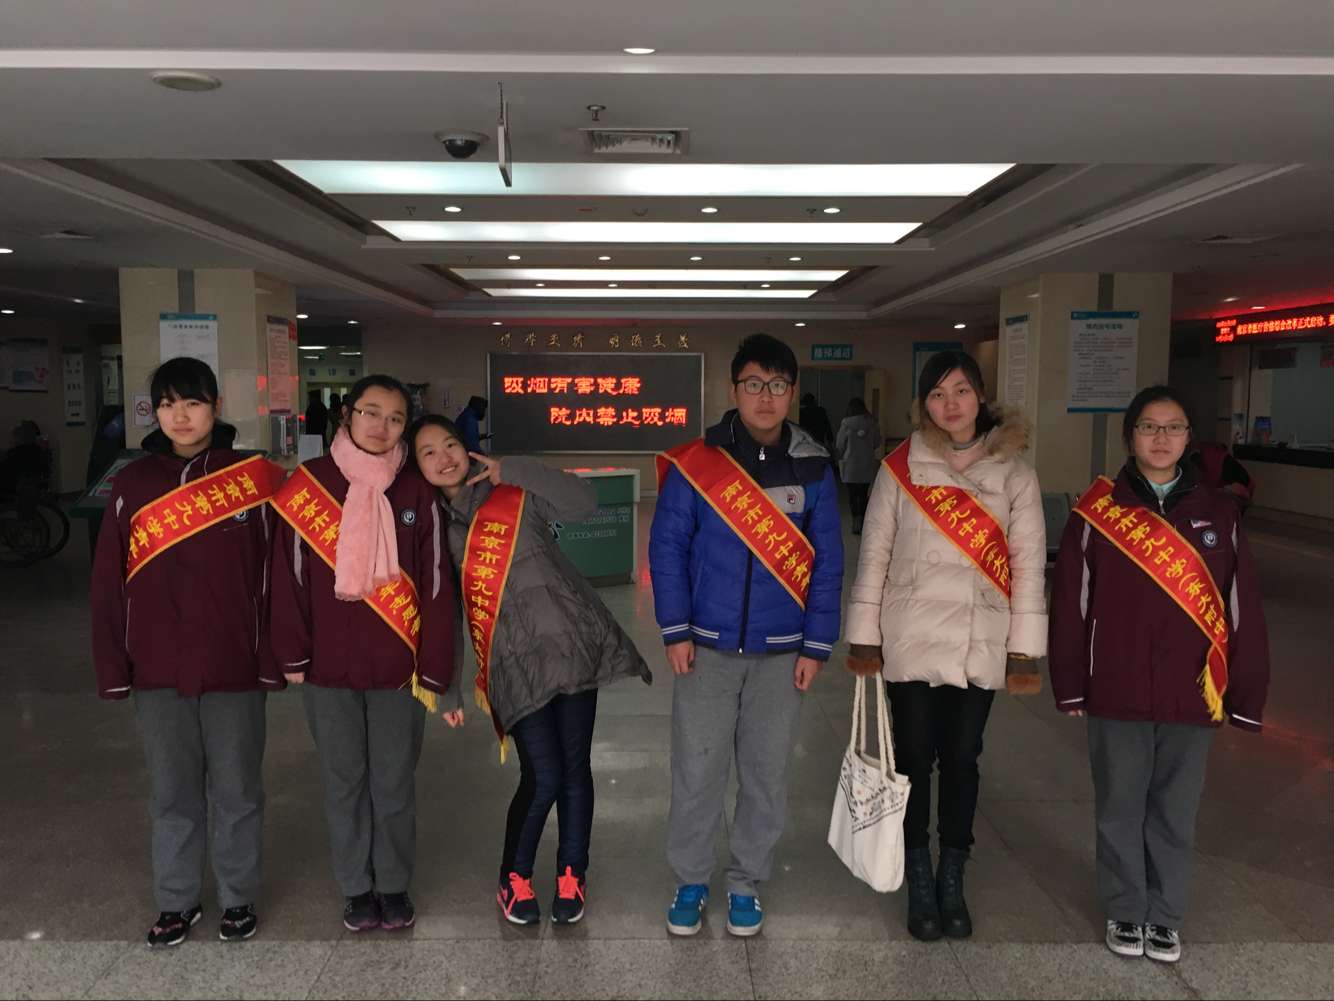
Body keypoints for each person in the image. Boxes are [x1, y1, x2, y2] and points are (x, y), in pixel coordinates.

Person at [1048, 385, 1270, 965]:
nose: (1161, 437)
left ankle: (1166, 915)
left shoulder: (1220, 513)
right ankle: (1125, 908)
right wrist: (1070, 683)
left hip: (1193, 691)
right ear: (1131, 437)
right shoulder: (1097, 514)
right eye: (1149, 427)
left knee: (1175, 808)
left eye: (1173, 427)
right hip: (1115, 687)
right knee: (1119, 806)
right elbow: (1070, 605)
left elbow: (1241, 606)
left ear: (1189, 437)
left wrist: (1245, 693)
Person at [410, 416, 651, 926]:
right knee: (543, 775)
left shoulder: (515, 494)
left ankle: (572, 872)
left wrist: (516, 469)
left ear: (467, 448)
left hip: (571, 647)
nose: (444, 457)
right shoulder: (435, 529)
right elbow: (445, 614)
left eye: (450, 444)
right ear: (418, 466)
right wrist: (448, 688)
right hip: (514, 663)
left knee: (574, 768)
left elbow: (584, 503)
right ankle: (514, 876)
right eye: (428, 452)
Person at [844, 349, 1047, 942]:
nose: (950, 404)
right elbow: (874, 554)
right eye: (937, 394)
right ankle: (919, 874)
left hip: (980, 638)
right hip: (910, 636)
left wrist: (1024, 650)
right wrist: (864, 638)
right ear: (924, 405)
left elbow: (1028, 567)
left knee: (962, 758)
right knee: (912, 760)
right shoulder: (900, 467)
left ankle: (952, 872)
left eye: (960, 391)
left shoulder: (1016, 473)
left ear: (980, 395)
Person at [650, 333, 843, 938]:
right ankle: (690, 879)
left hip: (782, 655)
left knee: (765, 774)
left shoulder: (813, 467)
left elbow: (828, 563)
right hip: (704, 649)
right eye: (754, 384)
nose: (766, 396)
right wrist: (675, 630)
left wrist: (816, 644)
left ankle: (745, 881)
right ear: (733, 390)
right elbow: (667, 549)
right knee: (697, 771)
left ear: (792, 393)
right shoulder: (698, 462)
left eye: (778, 385)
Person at [90, 357, 285, 947]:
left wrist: (273, 659)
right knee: (172, 793)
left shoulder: (252, 478)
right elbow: (108, 582)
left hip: (235, 666)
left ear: (215, 407)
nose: (180, 415)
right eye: (168, 404)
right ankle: (177, 901)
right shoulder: (132, 483)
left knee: (237, 791)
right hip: (157, 670)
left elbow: (275, 577)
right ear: (155, 411)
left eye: (193, 402)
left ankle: (238, 896)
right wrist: (113, 666)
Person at [269, 374, 456, 933]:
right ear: (347, 414)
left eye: (396, 419)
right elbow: (288, 577)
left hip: (399, 670)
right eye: (371, 412)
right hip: (327, 670)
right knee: (344, 781)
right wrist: (293, 655)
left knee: (393, 782)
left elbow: (437, 586)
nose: (382, 426)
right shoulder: (309, 484)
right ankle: (355, 886)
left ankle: (393, 884)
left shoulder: (415, 491)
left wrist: (435, 666)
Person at [835, 397, 882, 534]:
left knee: (852, 495)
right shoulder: (872, 423)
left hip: (851, 465)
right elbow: (877, 442)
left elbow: (840, 445)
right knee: (863, 493)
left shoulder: (846, 424)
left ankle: (856, 521)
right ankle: (863, 520)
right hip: (866, 464)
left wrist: (839, 456)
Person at [1191, 440, 1254, 513]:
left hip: (1241, 486)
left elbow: (1211, 482)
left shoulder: (1211, 458)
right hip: (1243, 484)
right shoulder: (1214, 455)